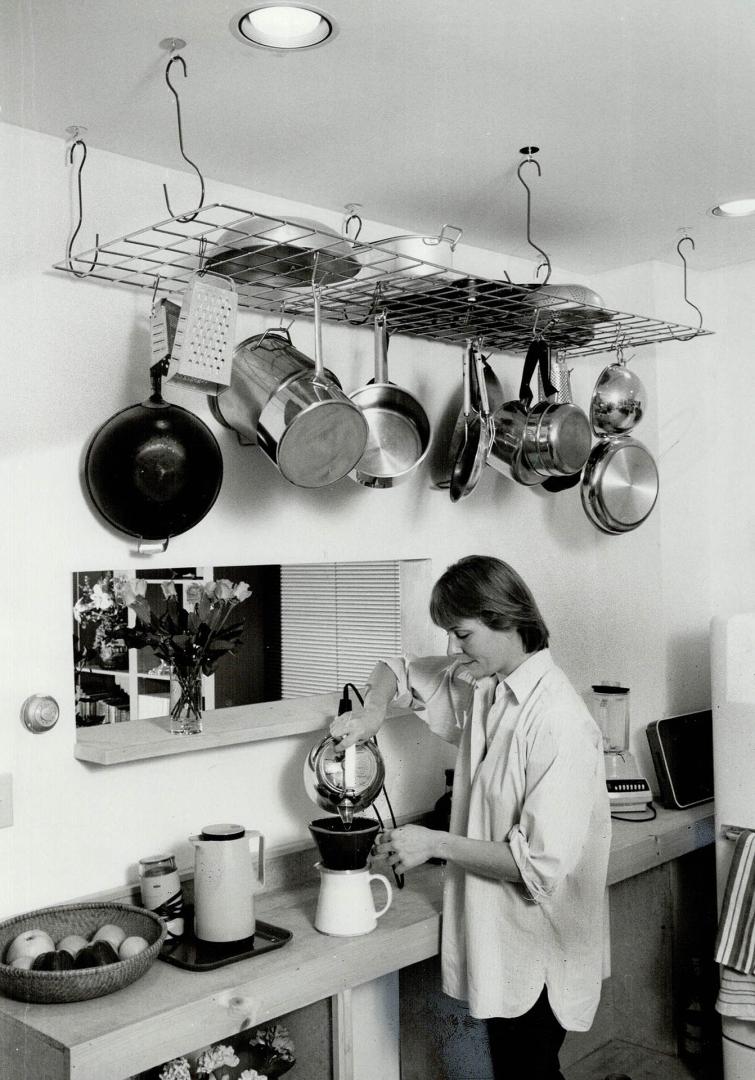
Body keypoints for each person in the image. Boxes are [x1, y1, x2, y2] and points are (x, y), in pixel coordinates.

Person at [330, 555, 611, 1080]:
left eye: (463, 634)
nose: (455, 649)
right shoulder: (486, 686)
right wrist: (372, 710)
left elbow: (540, 867)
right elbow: (397, 667)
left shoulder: (557, 722)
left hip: (539, 945)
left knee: (528, 1069)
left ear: (505, 619)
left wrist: (434, 843)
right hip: (500, 935)